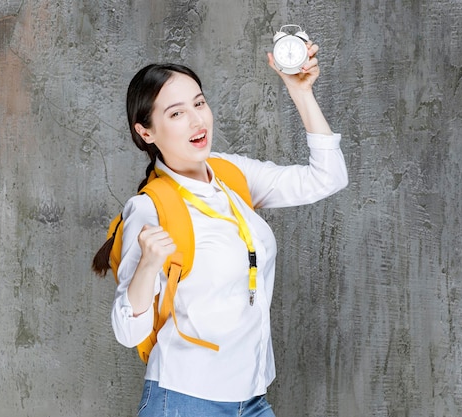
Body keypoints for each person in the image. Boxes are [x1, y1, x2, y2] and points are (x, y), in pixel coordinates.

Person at [96, 42, 348, 416]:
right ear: (146, 132)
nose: (197, 121)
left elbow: (328, 178)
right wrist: (148, 266)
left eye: (199, 103)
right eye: (177, 113)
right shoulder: (149, 208)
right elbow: (128, 332)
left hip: (251, 397)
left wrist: (301, 92)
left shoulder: (229, 174)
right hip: (185, 400)